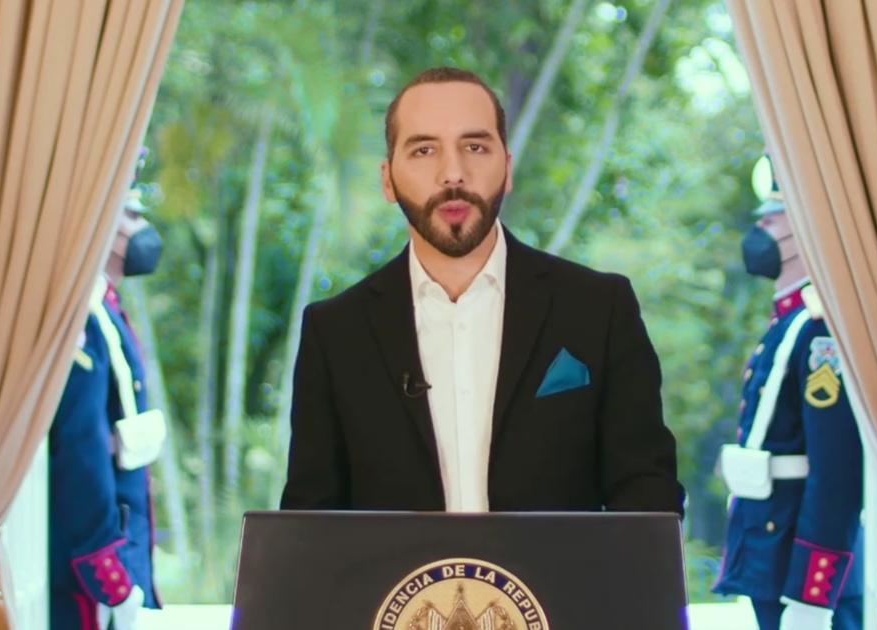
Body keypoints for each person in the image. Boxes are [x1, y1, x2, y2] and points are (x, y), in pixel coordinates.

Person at [278, 66, 684, 515]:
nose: (453, 173)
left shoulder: (598, 309)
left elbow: (648, 494)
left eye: (475, 147)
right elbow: (307, 522)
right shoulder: (336, 332)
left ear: (507, 167)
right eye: (424, 150)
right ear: (387, 179)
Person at [711, 151, 864, 630]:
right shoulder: (788, 323)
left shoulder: (818, 331)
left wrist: (813, 594)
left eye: (774, 216)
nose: (761, 227)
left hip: (801, 565)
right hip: (771, 554)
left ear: (806, 230)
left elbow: (836, 472)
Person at [49, 155, 167, 630]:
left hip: (126, 547)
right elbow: (83, 445)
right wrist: (106, 569)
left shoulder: (108, 307)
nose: (141, 229)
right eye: (131, 214)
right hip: (94, 566)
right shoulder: (86, 315)